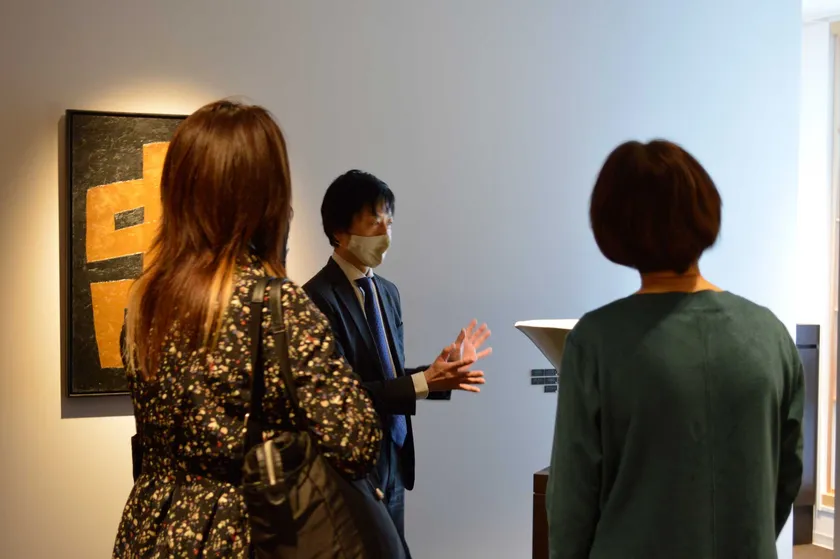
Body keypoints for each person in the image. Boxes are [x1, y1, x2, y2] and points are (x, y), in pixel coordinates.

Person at [113, 101, 386, 558]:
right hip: (246, 531)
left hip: (151, 527)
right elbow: (356, 443)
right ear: (268, 198)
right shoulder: (275, 306)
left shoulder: (146, 301)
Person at [546, 140, 804, 559]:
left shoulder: (595, 341)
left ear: (614, 226)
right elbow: (786, 476)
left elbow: (572, 505)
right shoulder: (770, 335)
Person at [303, 170, 491, 547]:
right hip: (352, 465)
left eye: (389, 222)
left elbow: (387, 375)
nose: (385, 233)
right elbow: (343, 397)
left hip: (395, 456)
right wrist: (424, 382)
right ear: (339, 231)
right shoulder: (316, 298)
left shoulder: (387, 292)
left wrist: (440, 374)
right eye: (374, 222)